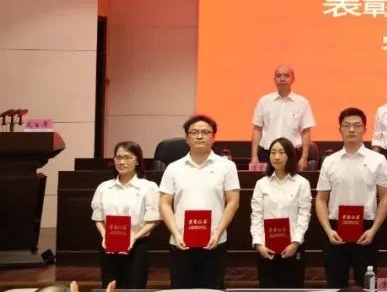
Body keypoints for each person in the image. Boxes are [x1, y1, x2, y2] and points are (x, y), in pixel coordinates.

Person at [158, 115, 241, 289]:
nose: (199, 136)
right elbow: (164, 203)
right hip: (181, 242)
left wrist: (218, 233)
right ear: (187, 138)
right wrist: (176, 233)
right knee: (181, 290)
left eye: (205, 132)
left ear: (213, 137)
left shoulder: (227, 166)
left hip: (214, 242)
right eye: (194, 132)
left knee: (211, 289)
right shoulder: (174, 168)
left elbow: (233, 202)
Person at [316, 108, 387, 288]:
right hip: (335, 231)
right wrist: (328, 230)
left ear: (364, 129)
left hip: (366, 230)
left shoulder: (378, 160)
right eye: (346, 125)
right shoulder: (330, 161)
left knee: (367, 285)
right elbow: (320, 199)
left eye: (357, 125)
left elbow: (385, 196)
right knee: (335, 285)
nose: (351, 130)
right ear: (340, 129)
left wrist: (373, 230)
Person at [91, 141, 159, 289]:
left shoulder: (148, 187)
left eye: (127, 157)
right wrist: (105, 235)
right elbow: (98, 218)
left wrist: (134, 237)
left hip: (137, 245)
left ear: (137, 161)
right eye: (118, 157)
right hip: (109, 245)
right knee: (110, 287)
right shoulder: (104, 187)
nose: (122, 162)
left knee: (135, 288)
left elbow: (154, 219)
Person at [250, 137, 312, 287]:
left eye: (281, 152)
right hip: (266, 249)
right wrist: (258, 244)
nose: (276, 157)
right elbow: (256, 216)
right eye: (273, 152)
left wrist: (295, 243)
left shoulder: (302, 183)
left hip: (293, 247)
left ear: (290, 155)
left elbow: (304, 216)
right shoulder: (261, 184)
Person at [251, 64, 316, 167]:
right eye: (278, 75)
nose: (282, 79)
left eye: (286, 75)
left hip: (292, 154)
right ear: (274, 79)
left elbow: (306, 131)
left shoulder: (302, 102)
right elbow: (257, 129)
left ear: (293, 79)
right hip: (266, 154)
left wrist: (304, 158)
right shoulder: (264, 101)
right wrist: (254, 156)